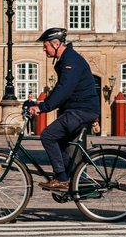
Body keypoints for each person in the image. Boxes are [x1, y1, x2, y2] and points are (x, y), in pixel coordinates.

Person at [24, 27, 101, 192]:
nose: (44, 49)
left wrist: (42, 107)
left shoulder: (70, 61)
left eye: (46, 46)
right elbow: (59, 89)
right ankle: (71, 179)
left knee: (48, 135)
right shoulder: (66, 60)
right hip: (78, 110)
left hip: (81, 110)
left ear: (56, 44)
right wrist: (41, 104)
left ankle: (61, 178)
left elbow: (64, 90)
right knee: (60, 142)